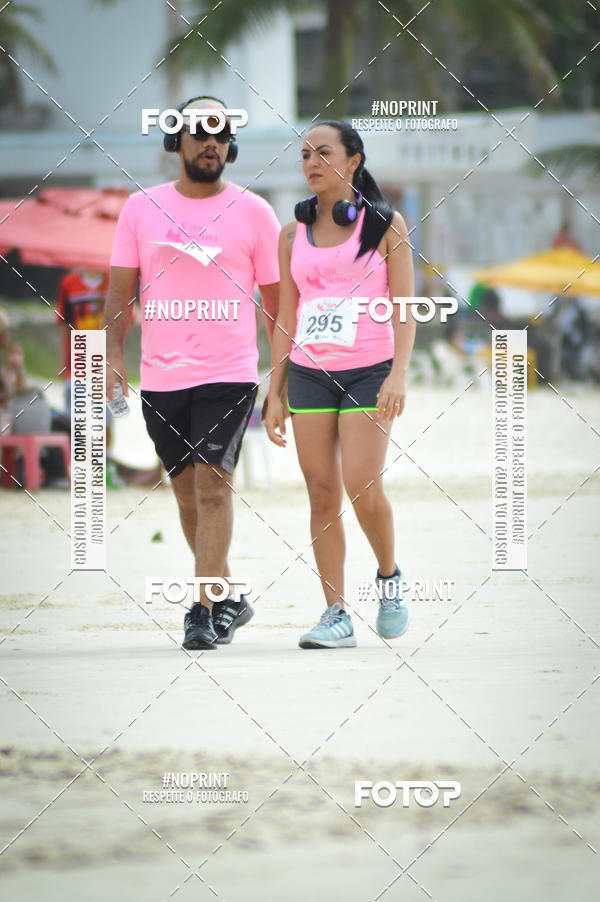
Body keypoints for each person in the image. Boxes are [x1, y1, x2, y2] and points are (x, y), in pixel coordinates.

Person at [104, 95, 280, 650]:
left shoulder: (255, 212)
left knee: (212, 485)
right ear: (175, 141)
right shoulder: (140, 209)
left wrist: (280, 380)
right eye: (200, 131)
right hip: (160, 379)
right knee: (185, 497)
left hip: (229, 374)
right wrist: (112, 356)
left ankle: (200, 610)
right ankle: (228, 597)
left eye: (221, 133)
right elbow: (119, 295)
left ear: (231, 145)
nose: (211, 142)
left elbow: (278, 308)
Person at [264, 121, 415, 649]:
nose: (311, 163)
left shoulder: (386, 225)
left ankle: (389, 579)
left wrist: (398, 373)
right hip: (309, 374)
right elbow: (287, 316)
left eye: (323, 153)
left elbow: (404, 308)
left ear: (353, 160)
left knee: (362, 484)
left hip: (369, 371)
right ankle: (336, 614)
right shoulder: (291, 234)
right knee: (321, 491)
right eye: (305, 155)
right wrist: (274, 391)